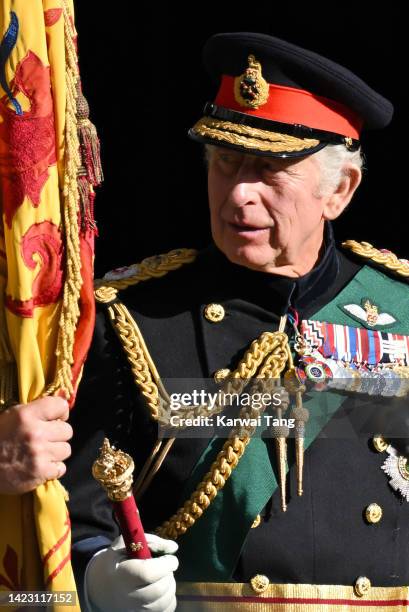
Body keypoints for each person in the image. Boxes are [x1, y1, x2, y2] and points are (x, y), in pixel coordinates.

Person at [63, 32, 409, 611]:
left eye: (271, 170)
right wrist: (96, 580)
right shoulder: (135, 320)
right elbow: (64, 519)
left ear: (339, 190)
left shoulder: (398, 310)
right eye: (226, 163)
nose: (239, 194)